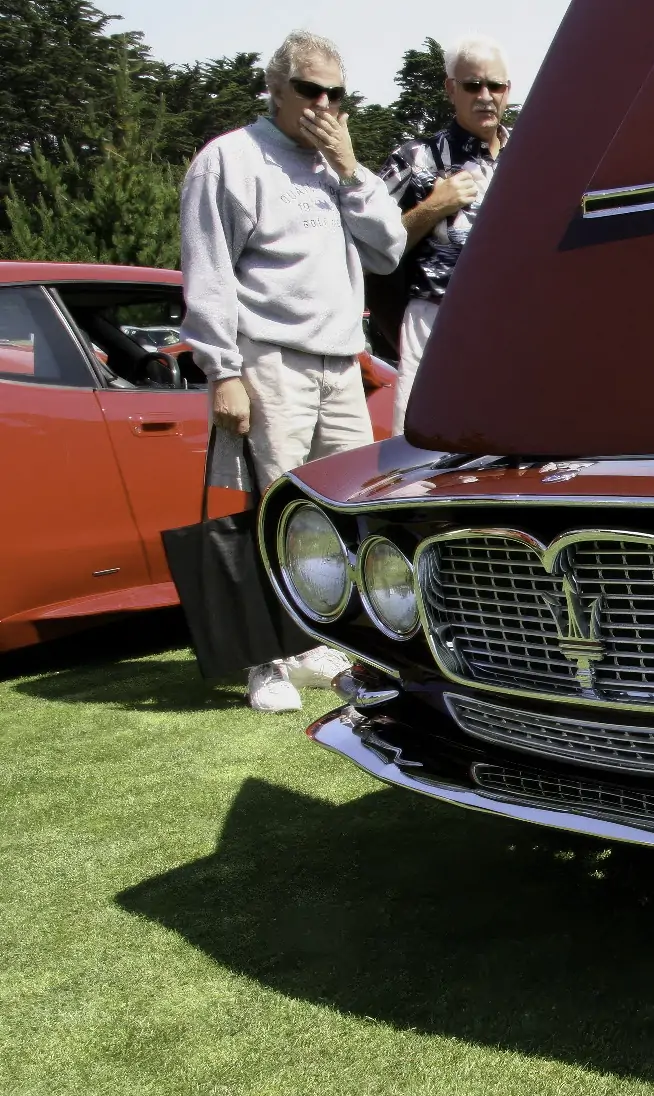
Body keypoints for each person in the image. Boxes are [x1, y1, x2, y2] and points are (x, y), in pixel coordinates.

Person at [179, 30, 408, 712]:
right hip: (268, 359)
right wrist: (223, 369)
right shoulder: (229, 160)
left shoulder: (333, 168)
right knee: (272, 510)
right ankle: (265, 661)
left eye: (337, 94)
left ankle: (317, 645)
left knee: (341, 513)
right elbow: (208, 272)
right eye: (310, 91)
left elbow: (390, 250)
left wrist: (352, 169)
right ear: (275, 90)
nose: (324, 106)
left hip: (341, 361)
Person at [381, 36, 512, 430]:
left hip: (513, 323)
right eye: (473, 85)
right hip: (436, 318)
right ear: (451, 89)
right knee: (421, 452)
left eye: (496, 86)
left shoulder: (532, 156)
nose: (485, 96)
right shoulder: (414, 159)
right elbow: (370, 246)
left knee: (513, 452)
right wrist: (434, 207)